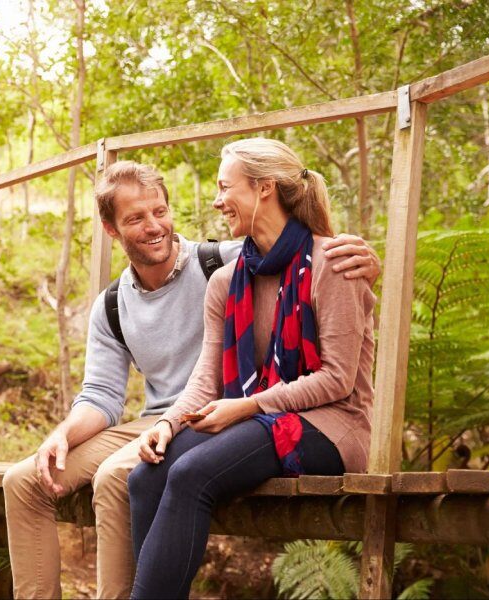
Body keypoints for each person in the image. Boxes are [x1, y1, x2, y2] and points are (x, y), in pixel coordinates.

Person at [2, 160, 379, 599]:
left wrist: (367, 260)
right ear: (111, 230)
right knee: (23, 480)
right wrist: (63, 435)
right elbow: (103, 397)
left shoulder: (222, 261)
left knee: (116, 476)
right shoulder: (112, 305)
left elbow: (306, 252)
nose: (153, 226)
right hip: (167, 417)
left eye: (159, 211)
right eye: (136, 219)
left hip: (231, 414)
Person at [128, 138, 377, 599]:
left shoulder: (333, 263)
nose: (217, 199)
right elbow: (206, 378)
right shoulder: (227, 279)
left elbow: (339, 379)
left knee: (190, 474)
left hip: (333, 425)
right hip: (263, 417)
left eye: (226, 187)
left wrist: (246, 406)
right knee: (146, 475)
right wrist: (167, 423)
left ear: (264, 188)